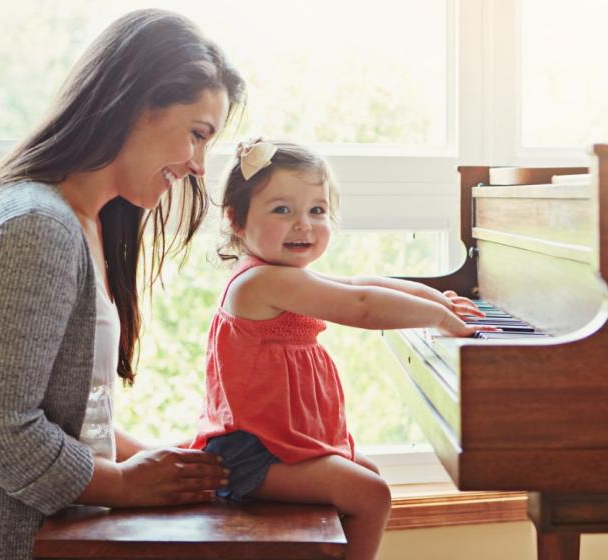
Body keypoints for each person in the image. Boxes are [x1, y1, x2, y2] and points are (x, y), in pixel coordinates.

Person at [0, 9, 245, 559]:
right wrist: (129, 485)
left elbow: (69, 416)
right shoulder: (36, 226)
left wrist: (172, 466)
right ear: (137, 105)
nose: (200, 165)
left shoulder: (85, 224)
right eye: (197, 134)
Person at [189, 139, 492, 560]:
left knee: (365, 474)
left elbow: (361, 284)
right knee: (371, 494)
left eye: (317, 210)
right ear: (236, 221)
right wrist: (437, 319)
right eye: (282, 210)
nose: (304, 225)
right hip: (251, 455)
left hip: (280, 444)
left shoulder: (283, 275)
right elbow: (362, 307)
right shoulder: (262, 282)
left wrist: (438, 298)